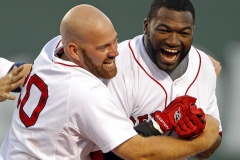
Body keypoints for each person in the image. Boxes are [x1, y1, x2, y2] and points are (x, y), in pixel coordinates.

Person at [0, 4, 219, 160]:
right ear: (74, 51)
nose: (115, 52)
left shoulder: (53, 49)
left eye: (114, 40)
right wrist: (202, 139)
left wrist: (22, 72)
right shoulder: (84, 92)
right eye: (103, 48)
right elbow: (137, 152)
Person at [97, 0, 222, 159]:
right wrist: (159, 125)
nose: (173, 41)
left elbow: (209, 148)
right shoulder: (118, 65)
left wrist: (199, 133)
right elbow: (103, 153)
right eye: (164, 30)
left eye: (184, 33)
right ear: (146, 26)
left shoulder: (204, 66)